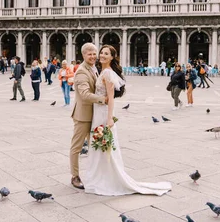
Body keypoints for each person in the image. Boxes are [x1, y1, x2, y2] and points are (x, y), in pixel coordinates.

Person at [82, 44, 171, 196]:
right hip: (98, 112)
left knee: (104, 145)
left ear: (111, 57)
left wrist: (109, 118)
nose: (102, 55)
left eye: (106, 54)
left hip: (103, 114)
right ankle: (98, 177)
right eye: (101, 52)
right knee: (99, 146)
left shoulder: (108, 73)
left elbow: (111, 98)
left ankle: (105, 179)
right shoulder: (102, 71)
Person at [69, 43, 107, 189]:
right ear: (83, 55)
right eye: (89, 54)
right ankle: (75, 176)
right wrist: (103, 99)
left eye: (94, 53)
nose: (92, 56)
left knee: (94, 146)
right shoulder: (81, 72)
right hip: (83, 115)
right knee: (77, 147)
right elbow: (84, 95)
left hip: (95, 114)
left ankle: (94, 174)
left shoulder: (94, 68)